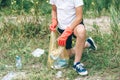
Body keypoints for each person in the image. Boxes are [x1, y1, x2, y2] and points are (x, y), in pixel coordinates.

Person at [49, 0, 97, 76]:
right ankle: (87, 43)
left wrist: (68, 31)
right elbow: (54, 10)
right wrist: (54, 20)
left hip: (75, 25)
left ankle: (77, 63)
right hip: (62, 28)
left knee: (81, 31)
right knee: (64, 55)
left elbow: (79, 17)